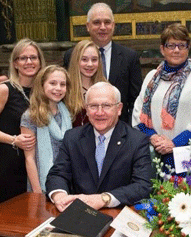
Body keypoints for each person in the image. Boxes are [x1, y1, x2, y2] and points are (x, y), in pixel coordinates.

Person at [46, 81, 152, 212]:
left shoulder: (137, 140)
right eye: (93, 106)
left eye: (106, 106)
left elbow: (142, 186)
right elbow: (57, 174)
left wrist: (104, 199)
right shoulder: (72, 137)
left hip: (118, 214)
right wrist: (60, 196)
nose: (99, 112)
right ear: (86, 109)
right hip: (79, 214)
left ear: (119, 109)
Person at [132, 23, 191, 170]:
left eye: (182, 45)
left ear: (188, 48)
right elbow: (138, 113)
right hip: (153, 151)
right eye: (171, 45)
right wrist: (154, 138)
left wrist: (173, 143)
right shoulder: (151, 77)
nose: (176, 50)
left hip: (186, 154)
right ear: (162, 49)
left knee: (184, 193)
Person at [0, 38, 46, 204]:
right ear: (15, 63)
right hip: (11, 162)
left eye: (33, 57)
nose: (29, 62)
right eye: (23, 58)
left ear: (40, 61)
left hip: (40, 161)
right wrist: (14, 139)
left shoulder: (45, 91)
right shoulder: (4, 89)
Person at [63, 2, 142, 123]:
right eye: (97, 22)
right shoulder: (71, 55)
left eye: (107, 22)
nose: (103, 27)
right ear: (88, 26)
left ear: (113, 25)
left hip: (119, 131)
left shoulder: (130, 57)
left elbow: (136, 101)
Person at [20, 65, 72, 193]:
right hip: (41, 183)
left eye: (62, 84)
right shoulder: (31, 116)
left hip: (66, 177)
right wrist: (37, 191)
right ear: (41, 85)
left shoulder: (67, 113)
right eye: (53, 83)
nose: (58, 88)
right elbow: (30, 158)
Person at [66, 40, 106, 127]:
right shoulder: (65, 88)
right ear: (76, 61)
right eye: (84, 59)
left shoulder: (106, 88)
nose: (90, 64)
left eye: (94, 60)